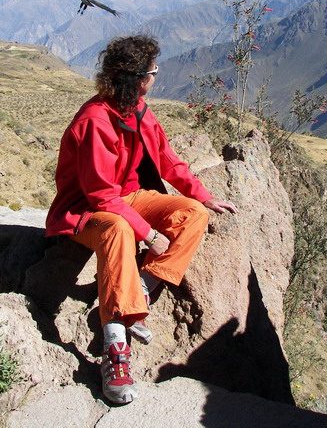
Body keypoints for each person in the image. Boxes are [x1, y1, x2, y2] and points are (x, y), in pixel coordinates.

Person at [46, 35, 237, 405]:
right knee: (118, 228)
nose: (156, 77)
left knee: (192, 214)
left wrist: (203, 195)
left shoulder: (138, 110)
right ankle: (115, 347)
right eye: (153, 72)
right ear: (136, 79)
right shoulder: (95, 121)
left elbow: (167, 159)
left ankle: (142, 287)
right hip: (85, 210)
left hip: (127, 196)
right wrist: (148, 233)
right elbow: (101, 196)